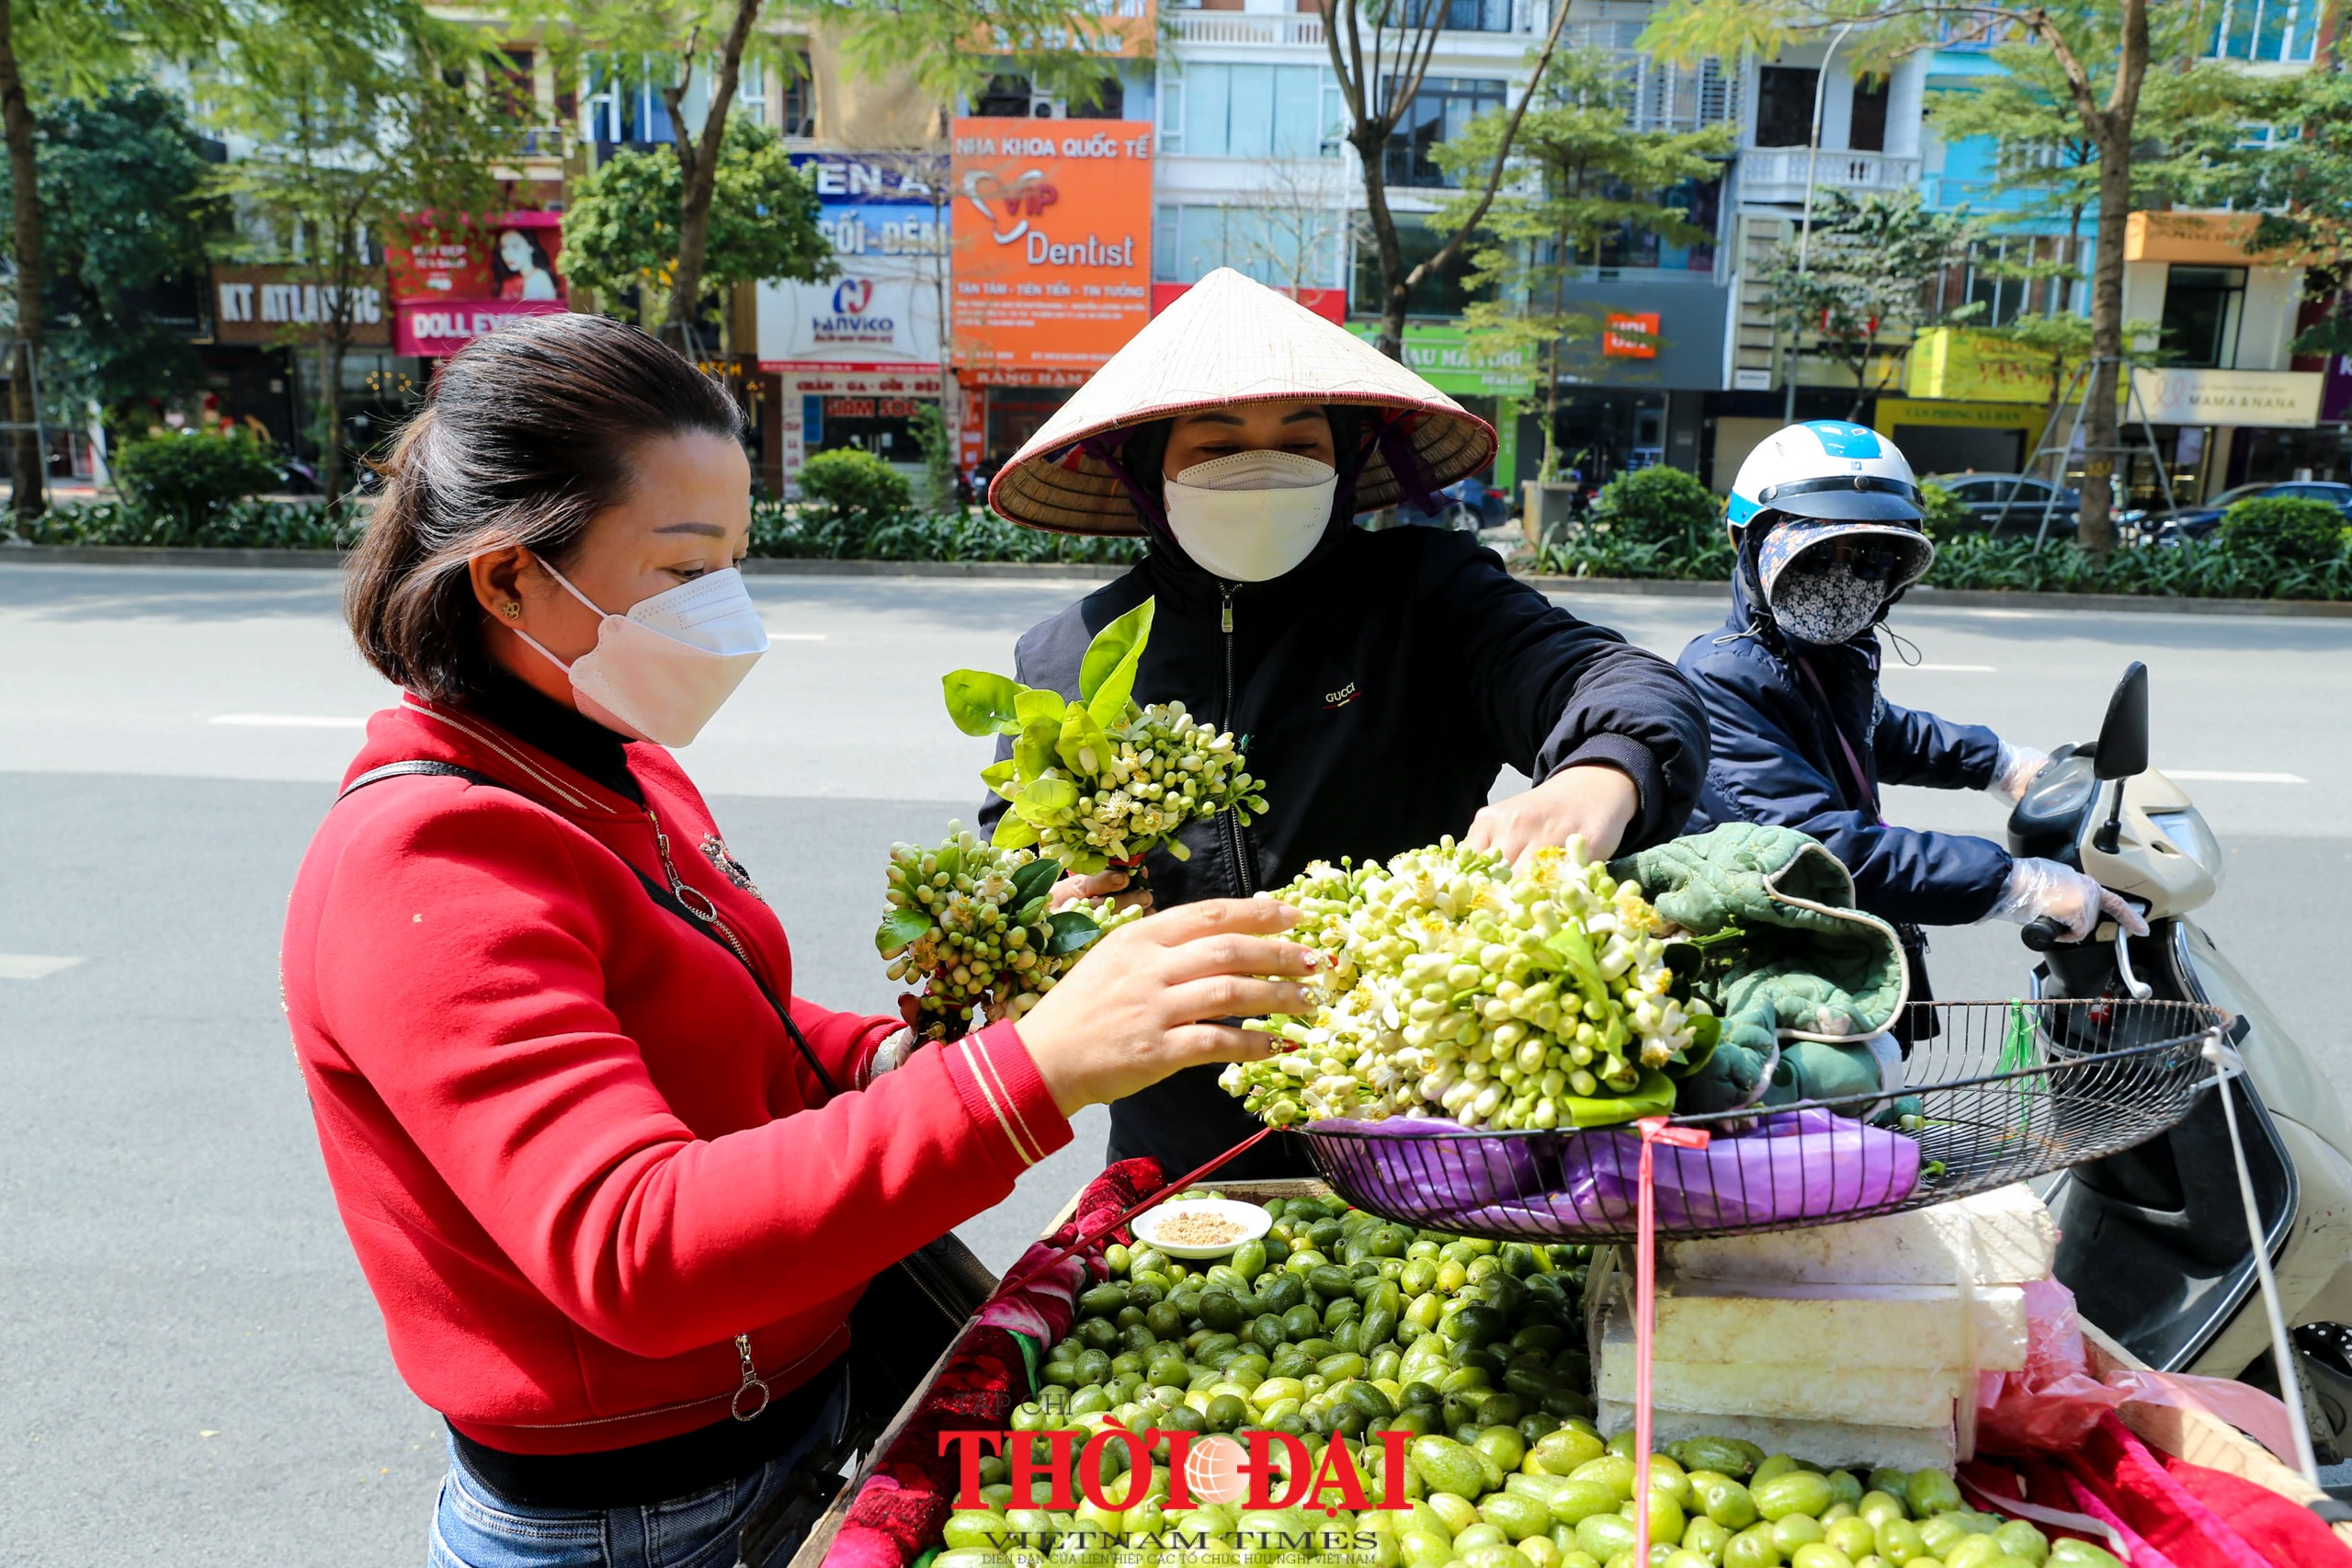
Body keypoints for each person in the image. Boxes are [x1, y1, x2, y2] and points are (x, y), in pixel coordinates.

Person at [281, 313, 1317, 1568]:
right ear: (506, 579)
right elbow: (635, 1247)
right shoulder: (433, 862)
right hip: (634, 1523)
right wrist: (1029, 1071)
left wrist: (900, 1055)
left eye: (732, 561)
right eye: (680, 571)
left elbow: (726, 1026)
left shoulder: (616, 770)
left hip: (794, 1424)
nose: (726, 612)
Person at [980, 268, 1709, 1180]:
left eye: (1298, 437)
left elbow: (1615, 679)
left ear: (1345, 454)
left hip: (1423, 1134)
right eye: (1216, 442)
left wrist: (1601, 771)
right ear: (1147, 464)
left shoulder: (1429, 596)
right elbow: (1012, 870)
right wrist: (1048, 918)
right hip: (1177, 1157)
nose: (1263, 464)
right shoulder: (1067, 658)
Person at [1676, 420, 2145, 1014]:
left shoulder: (1815, 655)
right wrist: (2011, 883)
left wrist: (2001, 764)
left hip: (1825, 942)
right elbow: (1813, 850)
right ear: (1747, 543)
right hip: (1763, 962)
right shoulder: (1723, 676)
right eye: (1816, 556)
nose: (1843, 583)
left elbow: (1875, 729)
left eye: (1871, 560)